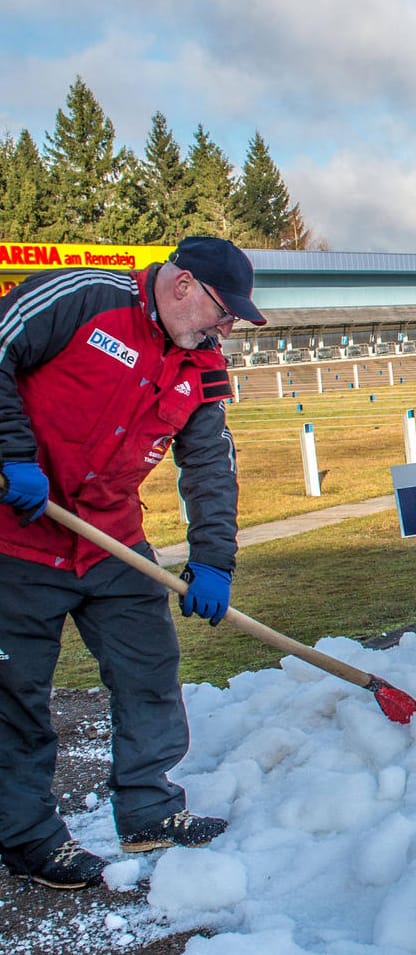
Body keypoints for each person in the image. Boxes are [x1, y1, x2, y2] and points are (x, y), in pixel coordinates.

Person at [0, 236, 262, 889]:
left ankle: (148, 809)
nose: (224, 327)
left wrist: (214, 560)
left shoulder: (202, 363)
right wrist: (11, 452)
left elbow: (210, 465)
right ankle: (29, 837)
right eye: (222, 312)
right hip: (18, 533)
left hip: (109, 539)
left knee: (149, 668)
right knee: (16, 695)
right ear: (183, 286)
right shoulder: (85, 298)